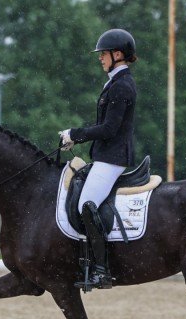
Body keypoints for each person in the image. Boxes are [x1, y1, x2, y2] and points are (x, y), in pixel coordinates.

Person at [59, 28, 138, 289]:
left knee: (87, 204)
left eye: (103, 54)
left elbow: (108, 129)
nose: (100, 58)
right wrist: (76, 138)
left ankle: (102, 270)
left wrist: (76, 133)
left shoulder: (122, 85)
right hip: (106, 155)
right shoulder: (115, 83)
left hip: (112, 159)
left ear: (118, 54)